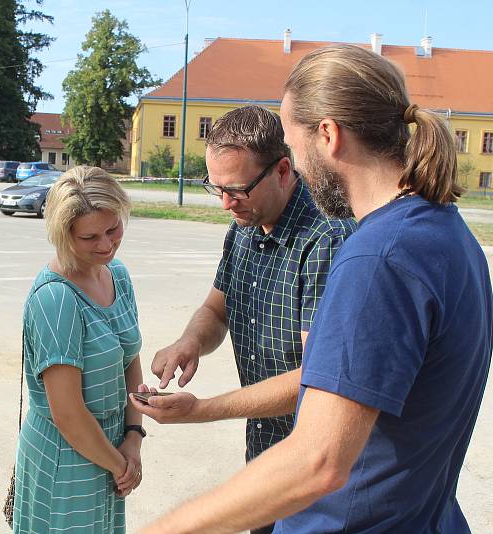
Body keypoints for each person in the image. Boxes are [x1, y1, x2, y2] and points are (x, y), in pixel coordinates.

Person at [136, 44, 492, 534]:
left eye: (291, 141)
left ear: (328, 134)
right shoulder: (446, 233)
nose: (294, 160)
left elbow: (318, 461)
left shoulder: (377, 258)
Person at [136, 105, 355, 534]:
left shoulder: (326, 239)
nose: (224, 204)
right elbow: (216, 309)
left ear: (282, 170)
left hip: (313, 470)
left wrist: (201, 411)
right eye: (214, 188)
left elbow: (319, 381)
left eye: (236, 189)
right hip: (266, 455)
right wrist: (190, 341)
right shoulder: (243, 226)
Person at [13, 166, 144, 533]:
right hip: (68, 457)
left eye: (112, 229)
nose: (105, 245)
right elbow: (68, 414)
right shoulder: (56, 299)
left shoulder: (115, 273)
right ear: (62, 235)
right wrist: (121, 466)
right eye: (89, 237)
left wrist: (134, 437)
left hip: (111, 449)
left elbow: (130, 359)